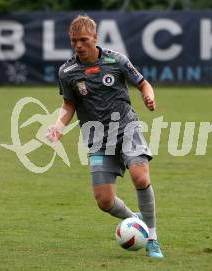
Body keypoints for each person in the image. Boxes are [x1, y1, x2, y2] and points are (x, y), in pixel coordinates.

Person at [46, 14, 163, 258]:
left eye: (83, 40)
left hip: (127, 128)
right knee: (104, 202)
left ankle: (152, 238)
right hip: (98, 139)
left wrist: (148, 96)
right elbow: (69, 105)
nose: (78, 45)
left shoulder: (116, 60)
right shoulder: (67, 71)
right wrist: (58, 125)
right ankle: (135, 220)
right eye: (73, 41)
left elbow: (143, 83)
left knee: (140, 178)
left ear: (95, 38)